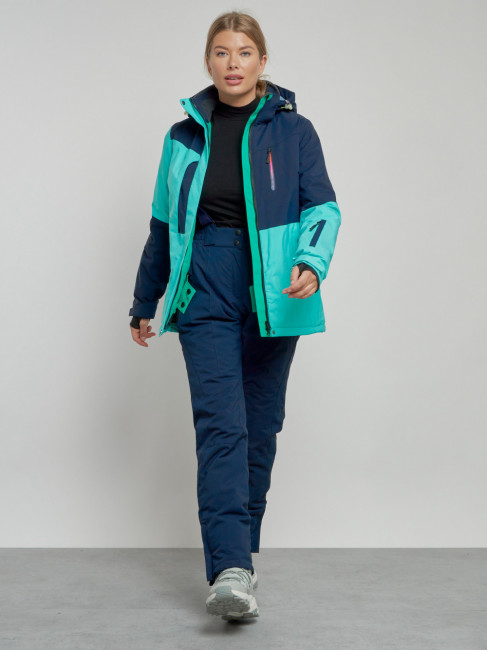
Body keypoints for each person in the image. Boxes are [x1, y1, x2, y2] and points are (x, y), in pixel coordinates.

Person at [128, 11, 341, 621]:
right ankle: (229, 569)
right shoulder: (183, 136)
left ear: (262, 61)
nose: (233, 63)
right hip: (205, 289)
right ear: (209, 61)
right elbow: (162, 226)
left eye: (244, 52)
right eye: (221, 52)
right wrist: (144, 301)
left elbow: (323, 207)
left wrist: (311, 262)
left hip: (276, 292)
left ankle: (242, 555)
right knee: (221, 427)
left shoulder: (293, 131)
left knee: (259, 427)